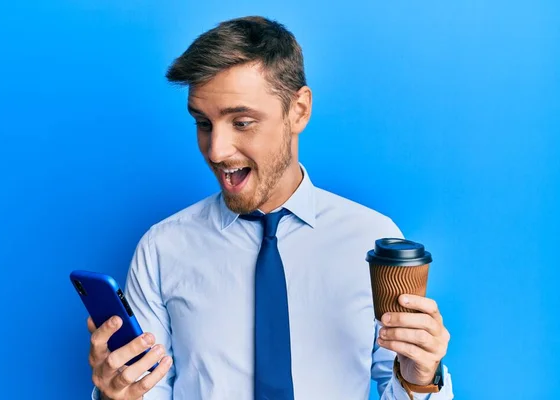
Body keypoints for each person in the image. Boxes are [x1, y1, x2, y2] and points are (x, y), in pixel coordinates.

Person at [87, 16, 453, 400]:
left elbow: (398, 382)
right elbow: (147, 391)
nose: (216, 150)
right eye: (203, 123)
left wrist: (418, 378)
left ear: (298, 110)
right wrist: (117, 395)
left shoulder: (371, 239)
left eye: (241, 122)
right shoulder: (162, 249)